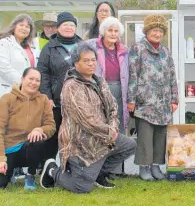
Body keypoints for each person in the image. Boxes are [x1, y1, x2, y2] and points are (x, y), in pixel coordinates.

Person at [39, 43, 136, 194]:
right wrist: (109, 132)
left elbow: (113, 108)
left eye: (93, 60)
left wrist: (113, 128)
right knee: (82, 188)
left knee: (129, 145)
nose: (91, 64)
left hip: (104, 137)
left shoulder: (99, 81)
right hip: (79, 144)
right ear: (76, 63)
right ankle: (53, 171)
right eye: (86, 61)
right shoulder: (72, 86)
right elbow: (87, 120)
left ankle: (98, 175)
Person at [127, 14, 178, 181]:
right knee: (145, 137)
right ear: (147, 31)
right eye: (154, 30)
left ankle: (156, 167)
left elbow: (172, 76)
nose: (157, 34)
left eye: (160, 31)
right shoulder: (137, 49)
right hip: (144, 102)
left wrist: (174, 99)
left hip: (163, 103)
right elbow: (133, 75)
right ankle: (144, 168)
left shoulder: (165, 51)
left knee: (160, 136)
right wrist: (131, 99)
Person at [0, 67, 55, 190]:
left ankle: (30, 174)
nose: (34, 83)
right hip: (9, 149)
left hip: (29, 149)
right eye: (31, 79)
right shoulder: (6, 99)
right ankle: (11, 170)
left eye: (37, 80)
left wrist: (40, 130)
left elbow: (51, 126)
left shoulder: (43, 100)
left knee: (38, 140)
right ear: (22, 79)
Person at [87, 16, 130, 177]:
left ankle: (116, 169)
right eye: (110, 30)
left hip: (120, 91)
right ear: (103, 32)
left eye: (116, 31)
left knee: (117, 129)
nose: (113, 33)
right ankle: (99, 168)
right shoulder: (92, 46)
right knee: (101, 128)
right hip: (99, 90)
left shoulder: (124, 50)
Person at [37, 12, 82, 160]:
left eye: (72, 25)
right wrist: (47, 96)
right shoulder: (49, 48)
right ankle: (49, 166)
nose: (69, 28)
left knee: (77, 134)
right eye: (65, 25)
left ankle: (74, 166)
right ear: (58, 28)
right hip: (56, 101)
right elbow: (43, 73)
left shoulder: (83, 46)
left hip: (79, 101)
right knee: (54, 135)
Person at [0, 13, 39, 109]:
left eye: (27, 27)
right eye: (21, 25)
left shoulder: (30, 48)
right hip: (6, 94)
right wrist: (24, 82)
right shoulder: (4, 43)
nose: (24, 28)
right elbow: (3, 69)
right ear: (14, 26)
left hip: (24, 95)